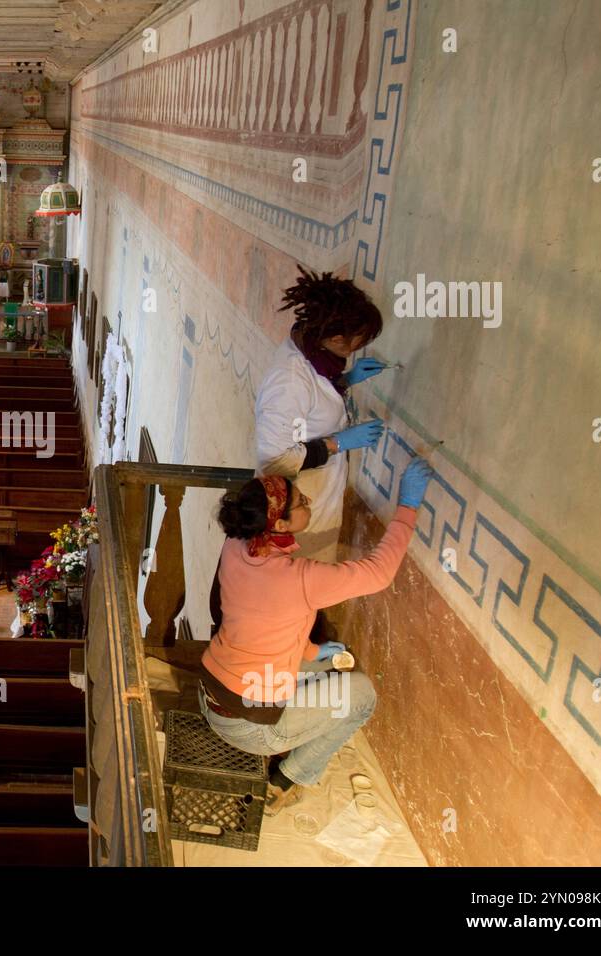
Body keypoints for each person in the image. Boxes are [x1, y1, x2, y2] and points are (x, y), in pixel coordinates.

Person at [198, 459, 434, 815]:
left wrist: (311, 649)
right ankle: (287, 780)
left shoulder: (236, 544)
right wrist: (408, 507)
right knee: (362, 695)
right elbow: (378, 573)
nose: (308, 500)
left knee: (331, 669)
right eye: (301, 503)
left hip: (213, 692)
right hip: (252, 727)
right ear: (278, 523)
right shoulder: (300, 578)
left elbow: (259, 617)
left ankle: (292, 732)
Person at [254, 266, 392, 563]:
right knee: (302, 585)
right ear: (335, 338)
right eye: (359, 339)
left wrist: (345, 381)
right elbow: (273, 460)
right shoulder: (289, 380)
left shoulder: (315, 357)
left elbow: (312, 404)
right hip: (297, 514)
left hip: (321, 498)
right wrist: (336, 444)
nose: (360, 346)